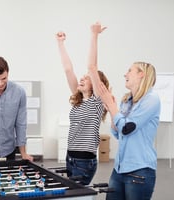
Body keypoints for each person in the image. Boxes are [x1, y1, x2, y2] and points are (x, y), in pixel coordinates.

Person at [55, 22, 109, 185]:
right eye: (83, 77)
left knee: (77, 195)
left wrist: (94, 35)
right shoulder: (78, 100)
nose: (82, 78)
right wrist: (60, 43)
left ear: (96, 84)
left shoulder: (97, 101)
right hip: (70, 157)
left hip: (85, 161)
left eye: (87, 78)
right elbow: (68, 70)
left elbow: (92, 66)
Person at [98, 62, 160, 200]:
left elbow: (127, 128)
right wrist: (112, 110)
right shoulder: (127, 100)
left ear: (141, 74)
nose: (125, 74)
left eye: (129, 71)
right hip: (119, 170)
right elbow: (118, 133)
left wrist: (113, 106)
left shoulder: (151, 99)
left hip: (140, 171)